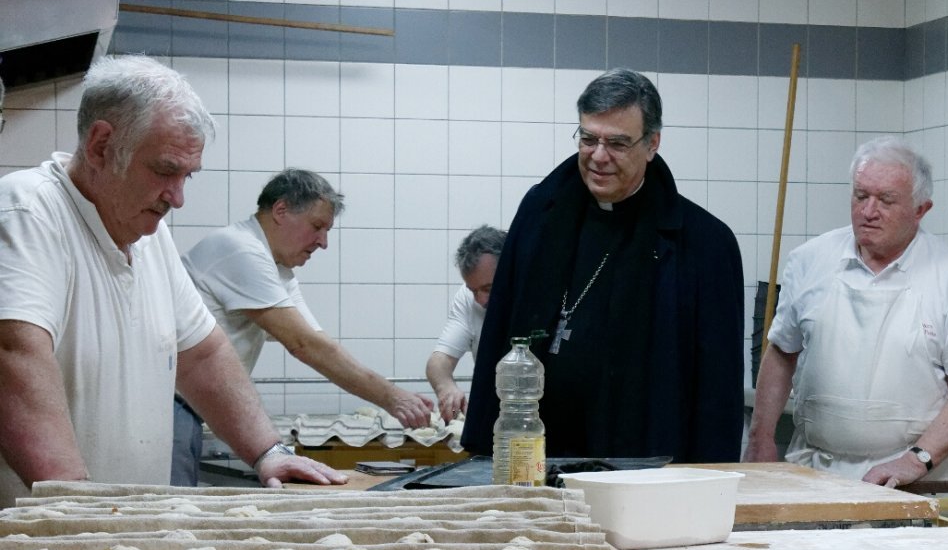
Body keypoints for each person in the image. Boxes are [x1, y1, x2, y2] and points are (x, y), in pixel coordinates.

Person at [0, 55, 345, 507]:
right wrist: (80, 511)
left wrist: (267, 450)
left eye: (187, 176)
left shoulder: (150, 235)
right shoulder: (27, 213)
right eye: (165, 171)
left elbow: (202, 354)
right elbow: (13, 358)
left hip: (117, 524)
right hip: (39, 543)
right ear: (102, 145)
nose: (178, 198)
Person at [461, 68, 744, 463]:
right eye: (589, 138)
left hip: (641, 461)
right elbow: (500, 332)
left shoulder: (704, 245)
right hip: (537, 455)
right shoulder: (541, 214)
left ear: (652, 144)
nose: (598, 156)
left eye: (617, 143)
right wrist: (482, 449)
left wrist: (712, 479)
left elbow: (718, 390)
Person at [745, 135, 948, 486]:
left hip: (912, 482)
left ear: (921, 209)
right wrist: (760, 439)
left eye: (886, 200)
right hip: (814, 470)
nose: (868, 211)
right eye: (861, 195)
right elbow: (781, 353)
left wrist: (916, 461)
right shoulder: (809, 260)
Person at [172, 168, 433, 484]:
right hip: (170, 403)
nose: (322, 242)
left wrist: (394, 396)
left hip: (193, 407)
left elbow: (317, 341)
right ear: (280, 210)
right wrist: (393, 398)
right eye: (317, 227)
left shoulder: (278, 268)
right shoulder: (239, 247)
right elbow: (304, 346)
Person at [424, 224, 505, 422]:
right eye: (474, 290)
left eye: (488, 289)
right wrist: (447, 387)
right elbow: (439, 362)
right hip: (497, 414)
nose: (481, 300)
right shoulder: (467, 298)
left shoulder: (539, 292)